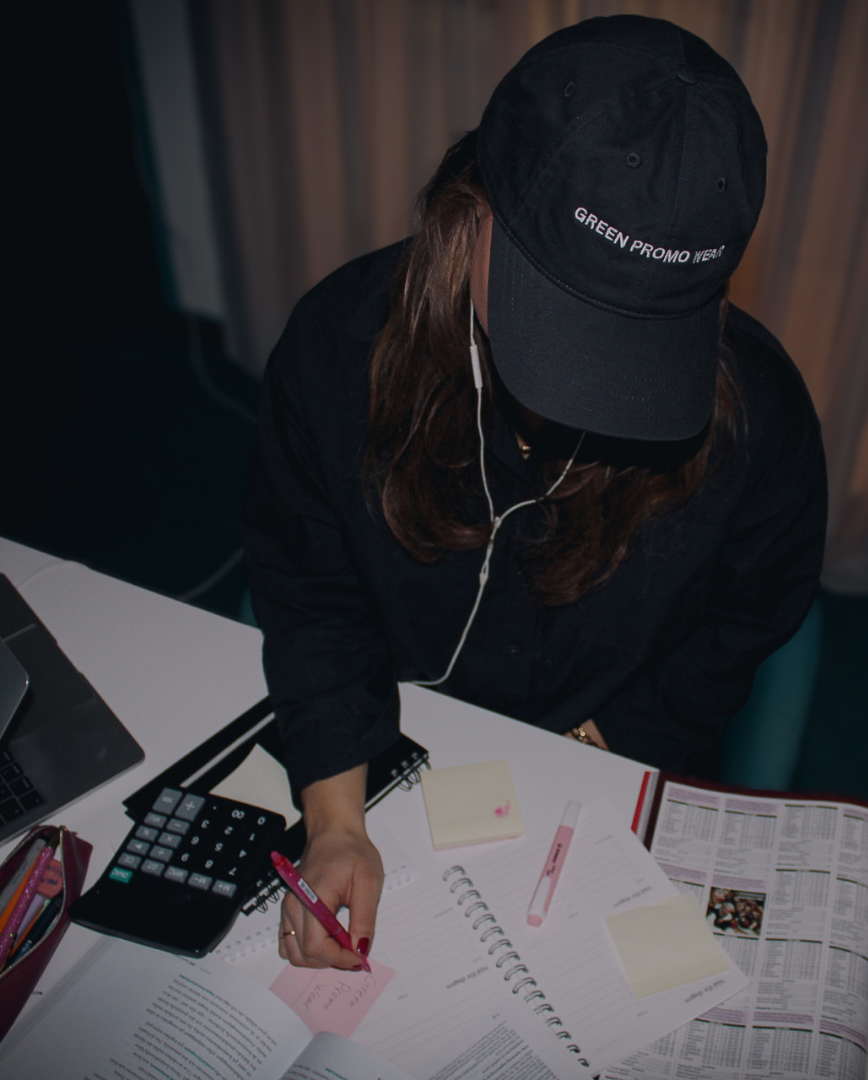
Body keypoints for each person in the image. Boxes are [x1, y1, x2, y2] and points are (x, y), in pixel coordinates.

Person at [241, 15, 827, 972]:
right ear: (470, 210)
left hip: (609, 768)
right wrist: (337, 822)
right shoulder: (335, 351)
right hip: (392, 735)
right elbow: (311, 589)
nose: (587, 395)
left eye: (640, 337)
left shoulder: (761, 421)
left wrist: (603, 743)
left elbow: (746, 620)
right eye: (563, 313)